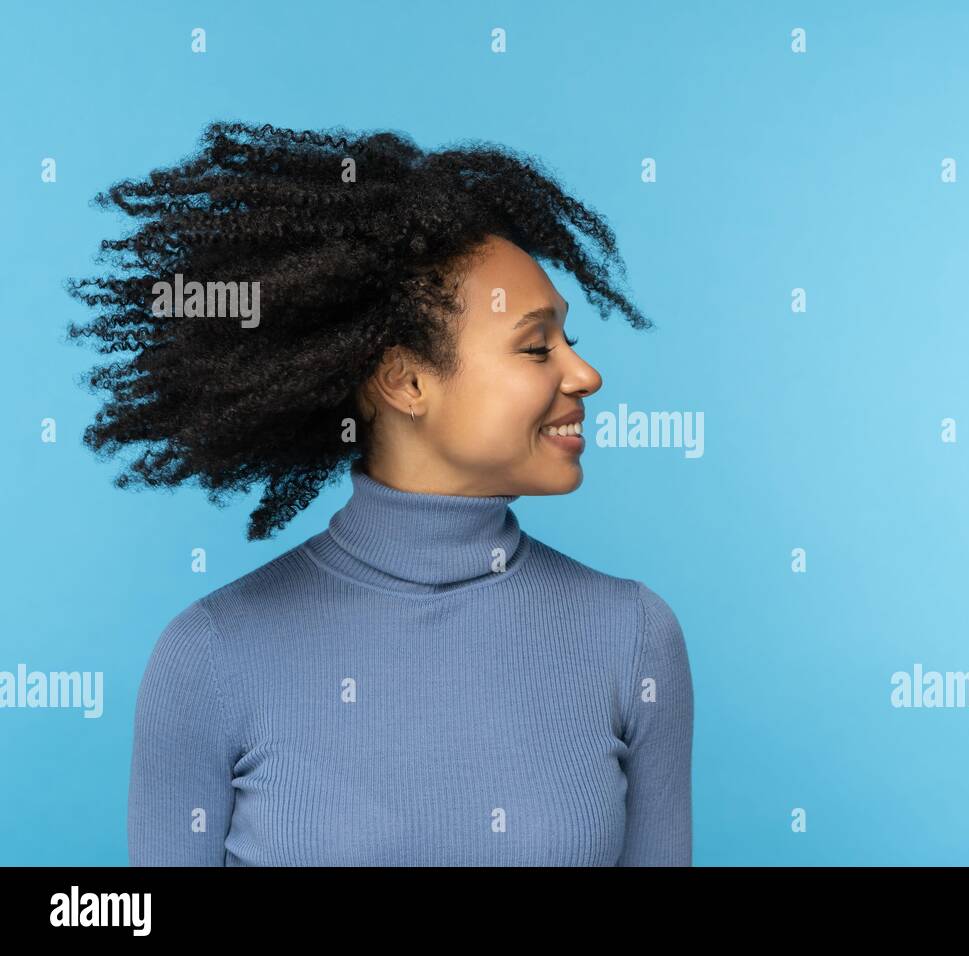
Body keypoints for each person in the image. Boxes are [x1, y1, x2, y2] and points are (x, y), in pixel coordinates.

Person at [66, 121, 694, 865]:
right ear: (406, 381)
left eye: (570, 341)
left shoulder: (633, 639)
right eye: (536, 346)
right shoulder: (209, 656)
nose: (584, 376)